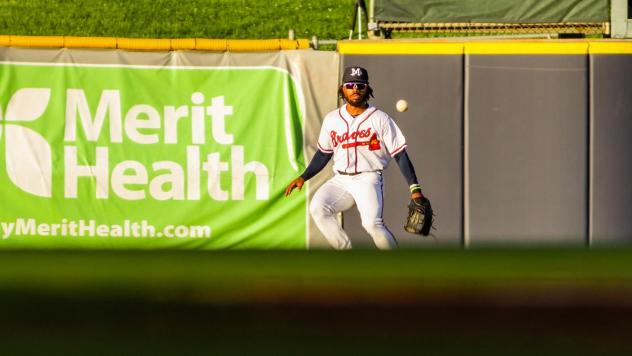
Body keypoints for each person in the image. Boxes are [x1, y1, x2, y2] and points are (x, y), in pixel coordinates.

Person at [285, 66, 429, 249]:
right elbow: (323, 154)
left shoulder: (380, 119)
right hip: (340, 181)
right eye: (350, 85)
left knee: (372, 224)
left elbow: (399, 154)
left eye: (360, 86)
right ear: (342, 89)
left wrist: (414, 188)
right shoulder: (332, 119)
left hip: (367, 178)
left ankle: (397, 266)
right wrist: (303, 177)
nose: (355, 89)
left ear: (367, 89)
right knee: (318, 208)